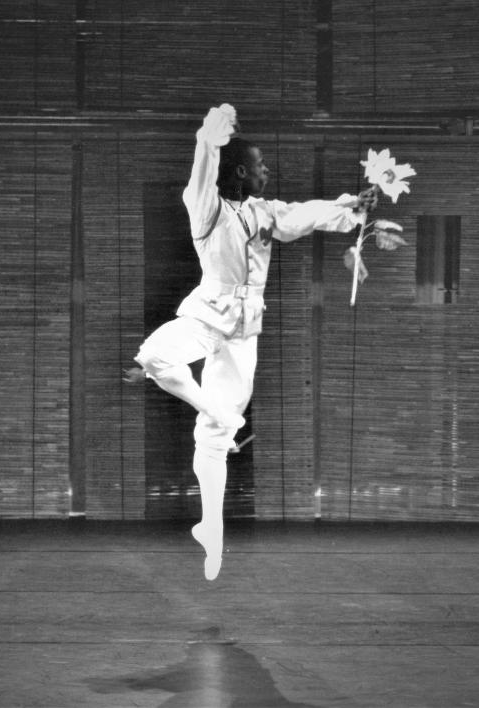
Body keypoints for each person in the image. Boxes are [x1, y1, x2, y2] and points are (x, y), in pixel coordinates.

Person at [126, 104, 377, 580]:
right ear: (241, 171)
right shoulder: (208, 210)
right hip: (207, 314)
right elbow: (199, 181)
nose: (267, 172)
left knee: (214, 438)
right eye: (261, 165)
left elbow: (305, 215)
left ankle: (211, 527)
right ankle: (220, 413)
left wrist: (350, 208)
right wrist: (207, 141)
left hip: (244, 329)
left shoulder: (264, 212)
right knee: (155, 355)